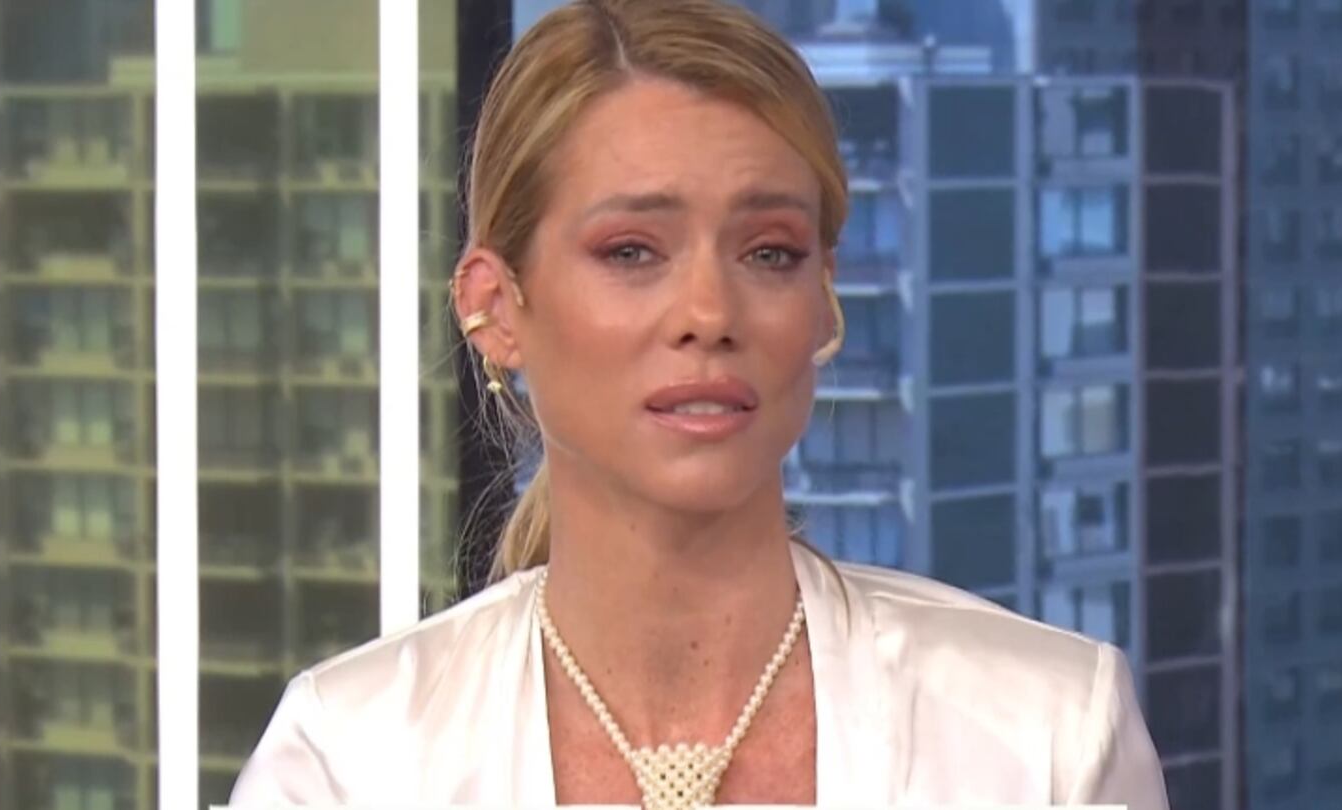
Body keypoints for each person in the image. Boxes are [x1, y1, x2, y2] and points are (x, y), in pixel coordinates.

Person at [229, 0, 1170, 806]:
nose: (711, 314)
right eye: (632, 251)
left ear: (823, 299)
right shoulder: (348, 761)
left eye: (769, 253)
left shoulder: (1048, 737)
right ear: (494, 307)